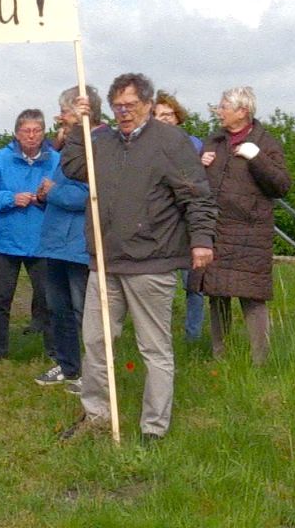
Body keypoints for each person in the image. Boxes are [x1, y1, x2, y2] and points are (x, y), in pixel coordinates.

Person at [60, 73, 217, 442]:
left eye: (130, 106)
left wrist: (201, 241)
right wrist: (78, 127)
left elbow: (197, 195)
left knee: (154, 349)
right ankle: (96, 415)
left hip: (153, 261)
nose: (124, 113)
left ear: (148, 103)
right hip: (106, 260)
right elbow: (75, 168)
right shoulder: (105, 142)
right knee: (97, 342)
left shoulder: (171, 142)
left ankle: (153, 429)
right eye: (117, 107)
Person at [194, 86, 292, 365]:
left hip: (250, 235)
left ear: (242, 111)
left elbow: (282, 186)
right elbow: (193, 182)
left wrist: (256, 157)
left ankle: (260, 361)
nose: (218, 111)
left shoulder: (266, 142)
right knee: (216, 293)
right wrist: (198, 164)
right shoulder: (213, 141)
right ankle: (219, 358)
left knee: (252, 297)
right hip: (216, 231)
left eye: (223, 106)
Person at [0, 109, 58, 362]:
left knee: (48, 301)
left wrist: (46, 197)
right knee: (1, 300)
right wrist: (10, 199)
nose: (32, 136)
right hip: (7, 242)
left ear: (44, 133)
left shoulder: (56, 160)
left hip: (42, 242)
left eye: (37, 131)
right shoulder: (0, 159)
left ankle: (55, 353)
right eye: (26, 131)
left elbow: (67, 195)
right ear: (17, 133)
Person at [35, 85, 102, 391]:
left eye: (63, 111)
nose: (58, 117)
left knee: (83, 311)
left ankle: (93, 372)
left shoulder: (98, 145)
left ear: (80, 112)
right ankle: (67, 365)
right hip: (56, 241)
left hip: (78, 243)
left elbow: (89, 195)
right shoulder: (68, 146)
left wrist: (53, 192)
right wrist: (44, 193)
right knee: (58, 307)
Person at [153, 90, 206, 342]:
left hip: (189, 223)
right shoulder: (147, 147)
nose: (163, 119)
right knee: (158, 285)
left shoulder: (194, 144)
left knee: (193, 284)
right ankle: (158, 336)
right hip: (160, 224)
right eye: (158, 115)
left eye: (168, 114)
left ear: (177, 116)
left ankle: (192, 337)